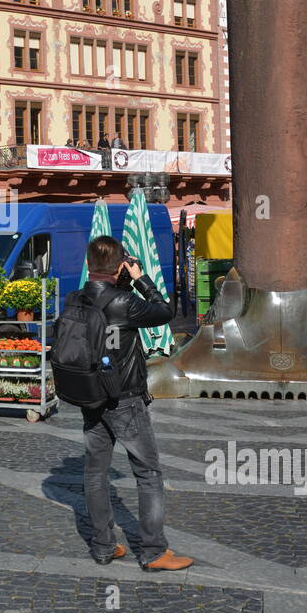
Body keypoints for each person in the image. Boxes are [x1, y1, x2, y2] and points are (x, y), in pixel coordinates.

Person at [67, 235, 190, 571]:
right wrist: (140, 279)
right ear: (120, 264)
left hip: (91, 396)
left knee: (95, 473)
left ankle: (103, 546)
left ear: (90, 264)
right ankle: (153, 552)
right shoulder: (124, 301)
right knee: (148, 473)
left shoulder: (75, 299)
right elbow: (165, 310)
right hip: (125, 398)